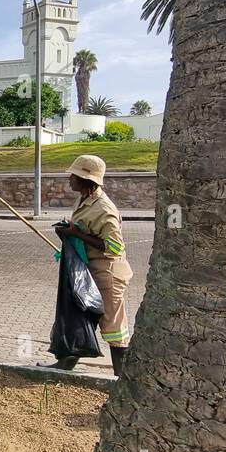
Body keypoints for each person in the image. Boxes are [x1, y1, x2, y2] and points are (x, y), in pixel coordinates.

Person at [52, 154, 133, 375]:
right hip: (89, 269)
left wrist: (77, 233)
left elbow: (115, 247)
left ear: (86, 179)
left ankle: (120, 376)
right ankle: (64, 366)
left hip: (108, 275)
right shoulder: (83, 199)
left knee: (113, 326)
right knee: (80, 318)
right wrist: (68, 233)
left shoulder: (104, 209)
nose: (70, 178)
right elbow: (84, 230)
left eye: (74, 175)